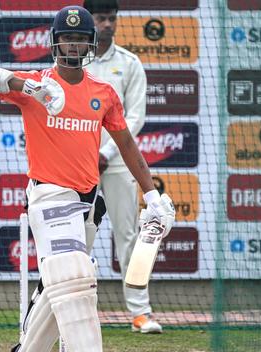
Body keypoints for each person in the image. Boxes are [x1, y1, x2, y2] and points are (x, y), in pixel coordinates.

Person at [0, 5, 174, 352]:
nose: (74, 46)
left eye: (81, 39)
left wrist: (152, 195)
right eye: (67, 38)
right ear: (55, 42)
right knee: (74, 276)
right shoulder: (34, 85)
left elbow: (127, 146)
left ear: (90, 44)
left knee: (60, 286)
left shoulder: (104, 93)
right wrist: (27, 86)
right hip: (49, 194)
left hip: (88, 202)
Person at [83, 0, 163, 334]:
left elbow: (135, 117)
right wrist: (88, 153)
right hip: (77, 164)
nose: (107, 25)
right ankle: (67, 313)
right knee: (76, 241)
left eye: (112, 19)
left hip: (115, 163)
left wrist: (106, 153)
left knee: (130, 237)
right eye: (101, 19)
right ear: (89, 21)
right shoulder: (73, 62)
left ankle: (140, 313)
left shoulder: (129, 63)